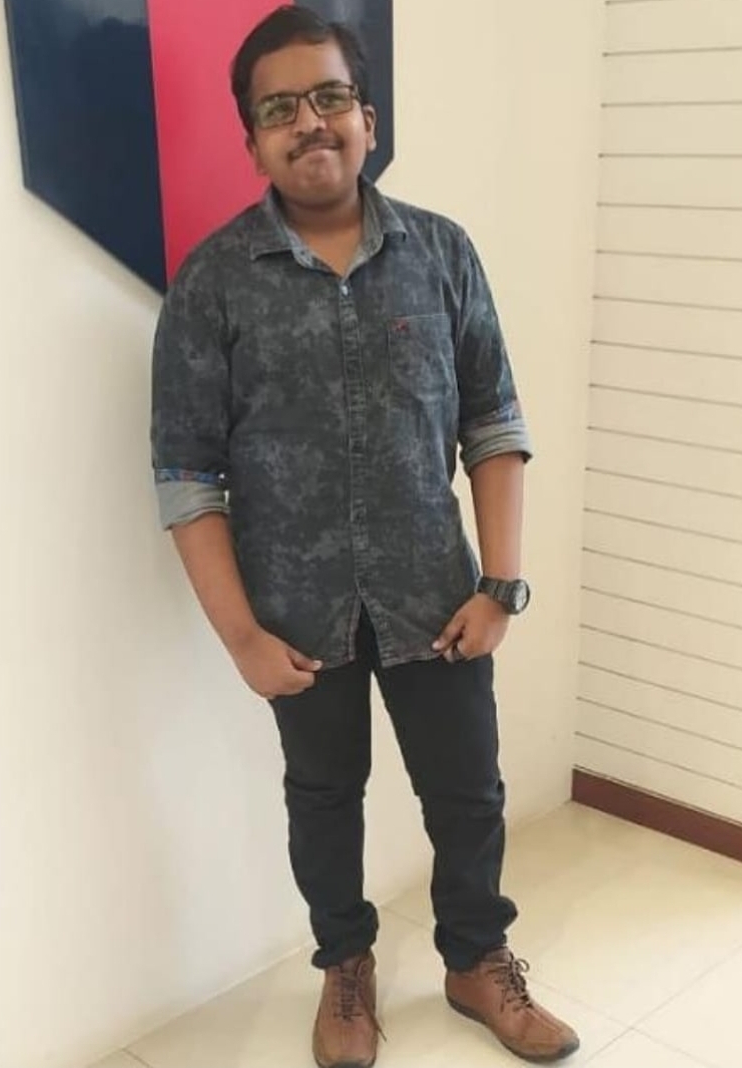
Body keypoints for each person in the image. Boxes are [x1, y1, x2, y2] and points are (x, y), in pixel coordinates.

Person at [150, 6, 579, 1065]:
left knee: (468, 793)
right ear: (253, 141)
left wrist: (502, 585)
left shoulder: (442, 253)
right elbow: (188, 478)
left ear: (368, 119)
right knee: (324, 800)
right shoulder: (212, 284)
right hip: (297, 619)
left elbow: (495, 425)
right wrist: (242, 638)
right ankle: (346, 968)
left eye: (329, 96)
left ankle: (477, 959)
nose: (310, 122)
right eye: (279, 109)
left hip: (439, 598)